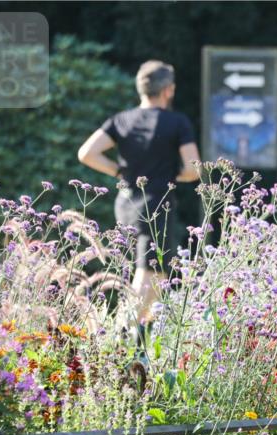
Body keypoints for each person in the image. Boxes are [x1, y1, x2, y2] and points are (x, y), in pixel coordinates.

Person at [77, 60, 201, 327]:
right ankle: (119, 335)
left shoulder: (121, 120)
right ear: (168, 90)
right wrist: (171, 175)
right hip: (155, 207)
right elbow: (194, 170)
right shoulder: (177, 122)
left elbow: (87, 153)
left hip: (125, 205)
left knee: (156, 276)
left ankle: (139, 339)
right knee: (149, 274)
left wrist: (118, 172)